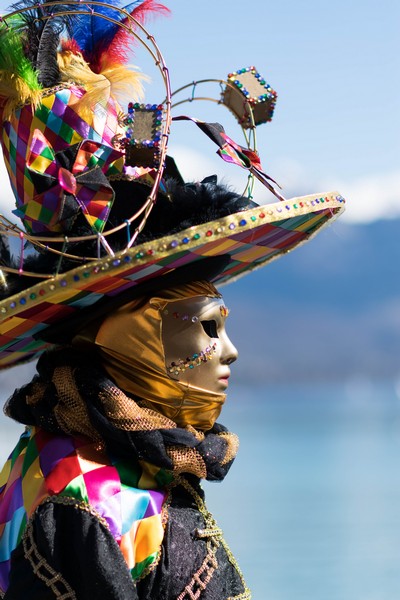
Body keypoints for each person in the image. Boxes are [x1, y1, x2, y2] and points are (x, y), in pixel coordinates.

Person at [0, 1, 345, 598]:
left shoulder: (103, 460)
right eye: (207, 326)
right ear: (128, 332)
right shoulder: (87, 499)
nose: (230, 352)